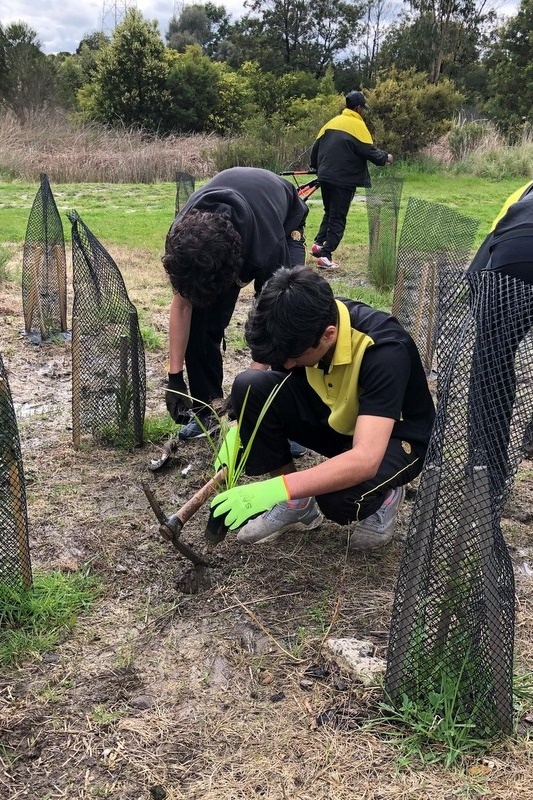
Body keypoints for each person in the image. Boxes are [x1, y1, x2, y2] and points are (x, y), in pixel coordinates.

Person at [210, 266, 436, 549]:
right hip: (340, 418)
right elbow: (268, 375)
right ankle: (296, 505)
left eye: (293, 357)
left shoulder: (384, 350)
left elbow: (366, 459)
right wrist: (237, 430)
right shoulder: (301, 324)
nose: (287, 364)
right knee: (250, 386)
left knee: (338, 500)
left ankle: (387, 494)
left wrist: (273, 489)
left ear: (329, 335)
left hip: (396, 438)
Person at [162, 166, 309, 443]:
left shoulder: (267, 250)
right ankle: (207, 410)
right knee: (201, 322)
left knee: (290, 321)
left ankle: (286, 424)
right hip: (232, 225)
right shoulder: (184, 240)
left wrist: (246, 391)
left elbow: (272, 323)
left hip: (283, 218)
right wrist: (175, 377)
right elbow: (182, 306)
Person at [309, 91, 393, 270]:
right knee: (338, 217)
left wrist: (317, 168)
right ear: (358, 108)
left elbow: (316, 148)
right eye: (363, 108)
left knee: (329, 211)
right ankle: (325, 256)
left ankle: (318, 244)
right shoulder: (357, 125)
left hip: (325, 175)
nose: (364, 112)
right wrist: (386, 157)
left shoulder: (332, 122)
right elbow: (369, 151)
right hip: (343, 180)